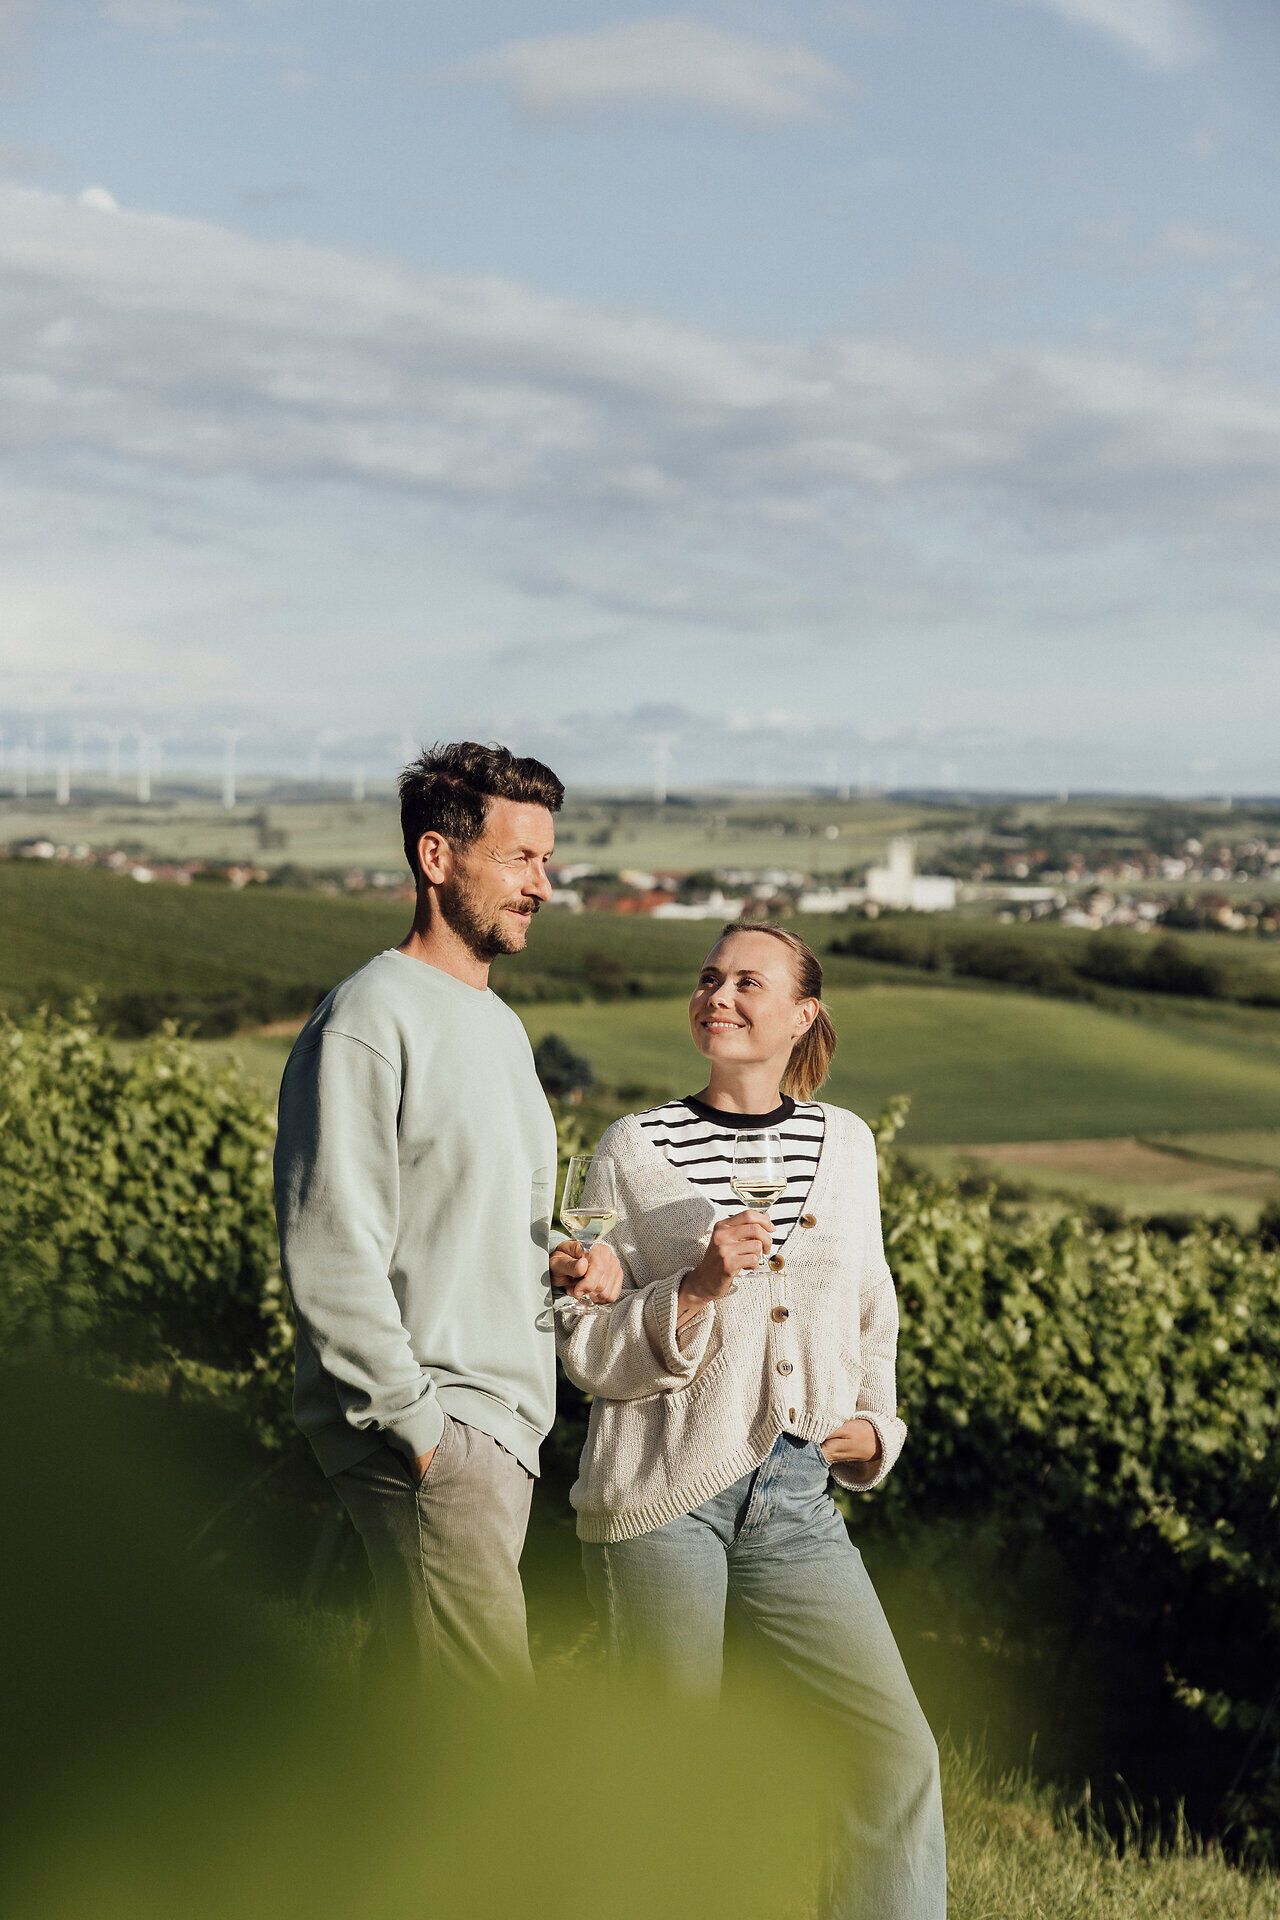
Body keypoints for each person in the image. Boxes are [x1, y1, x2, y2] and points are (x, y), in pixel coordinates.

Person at [549, 923, 948, 1919]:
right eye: (708, 978)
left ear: (802, 1014)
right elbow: (585, 1348)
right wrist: (695, 1286)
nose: (718, 996)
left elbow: (872, 1308)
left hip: (797, 1497)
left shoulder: (845, 1144)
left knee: (892, 1753)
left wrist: (876, 1425)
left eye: (746, 982)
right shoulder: (633, 1150)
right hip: (662, 1495)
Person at [273, 739, 565, 1689]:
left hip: (499, 1426)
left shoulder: (499, 1026)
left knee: (412, 1718)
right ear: (437, 858)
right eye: (518, 859)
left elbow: (492, 1216)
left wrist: (569, 1257)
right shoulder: (369, 1019)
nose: (542, 885)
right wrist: (419, 1429)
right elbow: (330, 1247)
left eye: (546, 861)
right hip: (435, 1426)